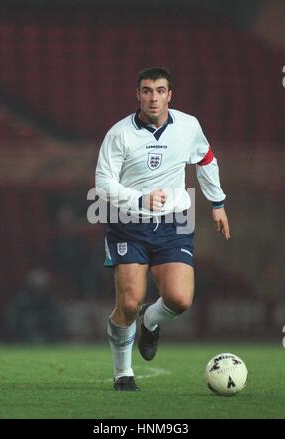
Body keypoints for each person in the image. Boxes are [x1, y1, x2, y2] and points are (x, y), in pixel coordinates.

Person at [95, 67, 230, 391]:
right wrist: (139, 199)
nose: (153, 97)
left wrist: (218, 203)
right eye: (146, 90)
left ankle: (150, 321)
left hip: (175, 221)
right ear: (137, 94)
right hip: (128, 222)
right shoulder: (119, 134)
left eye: (159, 90)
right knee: (128, 303)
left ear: (170, 95)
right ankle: (123, 374)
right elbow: (102, 183)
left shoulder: (188, 126)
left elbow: (206, 159)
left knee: (180, 299)